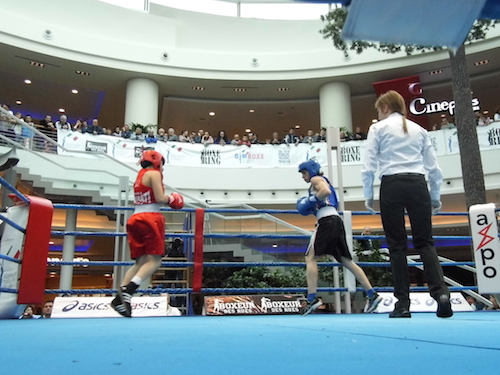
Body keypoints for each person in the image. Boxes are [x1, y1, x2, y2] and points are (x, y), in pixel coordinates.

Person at [361, 90, 452, 319]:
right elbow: (434, 169)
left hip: (392, 184)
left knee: (397, 246)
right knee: (425, 242)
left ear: (384, 108)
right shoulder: (419, 130)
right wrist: (435, 197)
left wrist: (368, 195)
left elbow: (369, 165)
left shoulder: (378, 129)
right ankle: (441, 293)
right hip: (417, 184)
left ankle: (402, 304)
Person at [297, 159, 382, 315]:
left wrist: (311, 200)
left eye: (304, 172)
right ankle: (372, 294)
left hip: (327, 222)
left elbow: (325, 192)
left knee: (310, 258)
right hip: (336, 220)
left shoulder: (316, 179)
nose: (303, 176)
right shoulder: (320, 181)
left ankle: (312, 298)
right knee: (345, 261)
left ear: (311, 170)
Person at [110, 150, 184, 317]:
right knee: (155, 260)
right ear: (157, 162)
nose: (163, 169)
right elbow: (159, 198)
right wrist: (173, 199)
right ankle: (129, 290)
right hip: (150, 218)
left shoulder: (140, 175)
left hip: (136, 217)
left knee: (140, 262)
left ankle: (120, 298)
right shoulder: (154, 173)